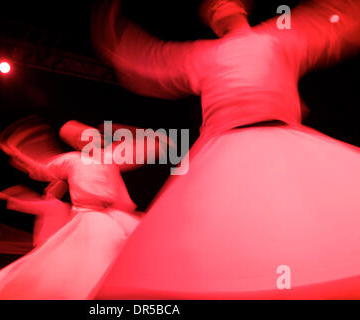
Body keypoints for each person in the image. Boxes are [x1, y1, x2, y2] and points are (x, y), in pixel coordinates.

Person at [90, 0, 360, 299]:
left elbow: (150, 63)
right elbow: (331, 25)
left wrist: (116, 39)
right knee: (273, 228)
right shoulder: (266, 39)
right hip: (251, 149)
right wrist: (117, 40)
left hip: (244, 151)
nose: (221, 16)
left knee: (263, 231)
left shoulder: (258, 41)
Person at [0, 116, 144, 299]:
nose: (94, 140)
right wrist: (24, 157)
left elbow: (138, 151)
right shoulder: (73, 160)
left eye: (94, 137)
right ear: (80, 144)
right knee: (94, 260)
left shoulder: (110, 158)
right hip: (89, 217)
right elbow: (46, 167)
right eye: (88, 138)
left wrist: (130, 132)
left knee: (124, 252)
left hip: (113, 216)